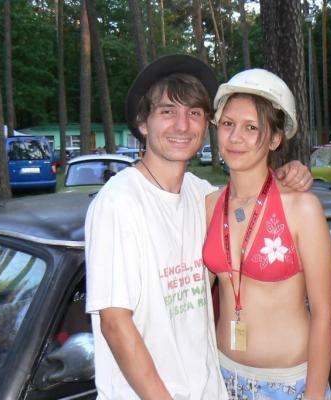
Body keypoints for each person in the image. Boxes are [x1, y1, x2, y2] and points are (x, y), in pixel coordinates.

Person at [84, 55, 313, 400]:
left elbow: (252, 198)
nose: (182, 125)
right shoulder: (118, 203)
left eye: (194, 113)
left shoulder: (201, 196)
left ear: (206, 124)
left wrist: (288, 174)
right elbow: (115, 324)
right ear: (142, 123)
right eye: (167, 111)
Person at [203, 69, 331, 400]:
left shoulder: (302, 209)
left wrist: (314, 396)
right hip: (222, 379)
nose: (235, 137)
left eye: (251, 127)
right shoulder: (208, 204)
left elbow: (324, 314)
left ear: (275, 139)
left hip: (288, 386)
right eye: (228, 124)